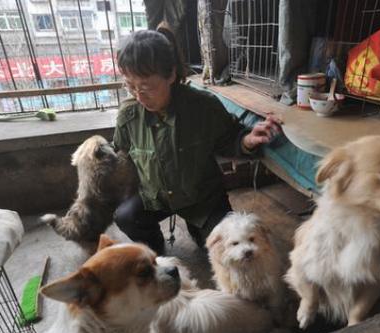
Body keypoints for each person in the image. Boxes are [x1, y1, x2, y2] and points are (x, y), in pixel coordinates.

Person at [113, 24, 282, 254]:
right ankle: (154, 245)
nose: (139, 96)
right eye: (130, 86)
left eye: (146, 87)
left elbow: (229, 137)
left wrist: (247, 141)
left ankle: (197, 227)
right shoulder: (128, 115)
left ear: (171, 75)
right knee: (125, 216)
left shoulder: (203, 107)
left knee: (223, 249)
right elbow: (121, 156)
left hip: (203, 199)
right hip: (155, 198)